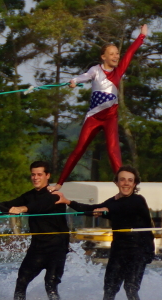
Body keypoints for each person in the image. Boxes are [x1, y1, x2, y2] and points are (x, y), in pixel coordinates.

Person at [0, 161, 69, 300]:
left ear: (47, 176)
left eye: (39, 174)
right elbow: (6, 205)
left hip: (57, 248)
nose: (35, 178)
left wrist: (23, 208)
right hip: (37, 248)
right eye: (33, 174)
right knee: (22, 280)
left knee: (50, 285)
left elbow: (40, 205)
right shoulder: (29, 195)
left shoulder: (55, 195)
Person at [55, 165, 155, 300]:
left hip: (138, 251)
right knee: (109, 288)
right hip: (118, 251)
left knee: (130, 288)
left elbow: (123, 208)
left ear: (135, 184)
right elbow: (93, 208)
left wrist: (107, 210)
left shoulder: (137, 200)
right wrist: (68, 201)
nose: (126, 183)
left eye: (130, 180)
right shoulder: (113, 201)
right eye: (122, 180)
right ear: (116, 182)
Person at [55, 25, 147, 186]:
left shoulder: (118, 71)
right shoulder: (95, 70)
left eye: (117, 53)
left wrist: (141, 36)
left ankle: (124, 186)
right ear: (103, 57)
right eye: (111, 54)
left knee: (113, 152)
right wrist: (74, 81)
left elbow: (130, 53)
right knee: (79, 149)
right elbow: (85, 76)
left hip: (110, 117)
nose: (116, 56)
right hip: (94, 117)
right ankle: (59, 184)